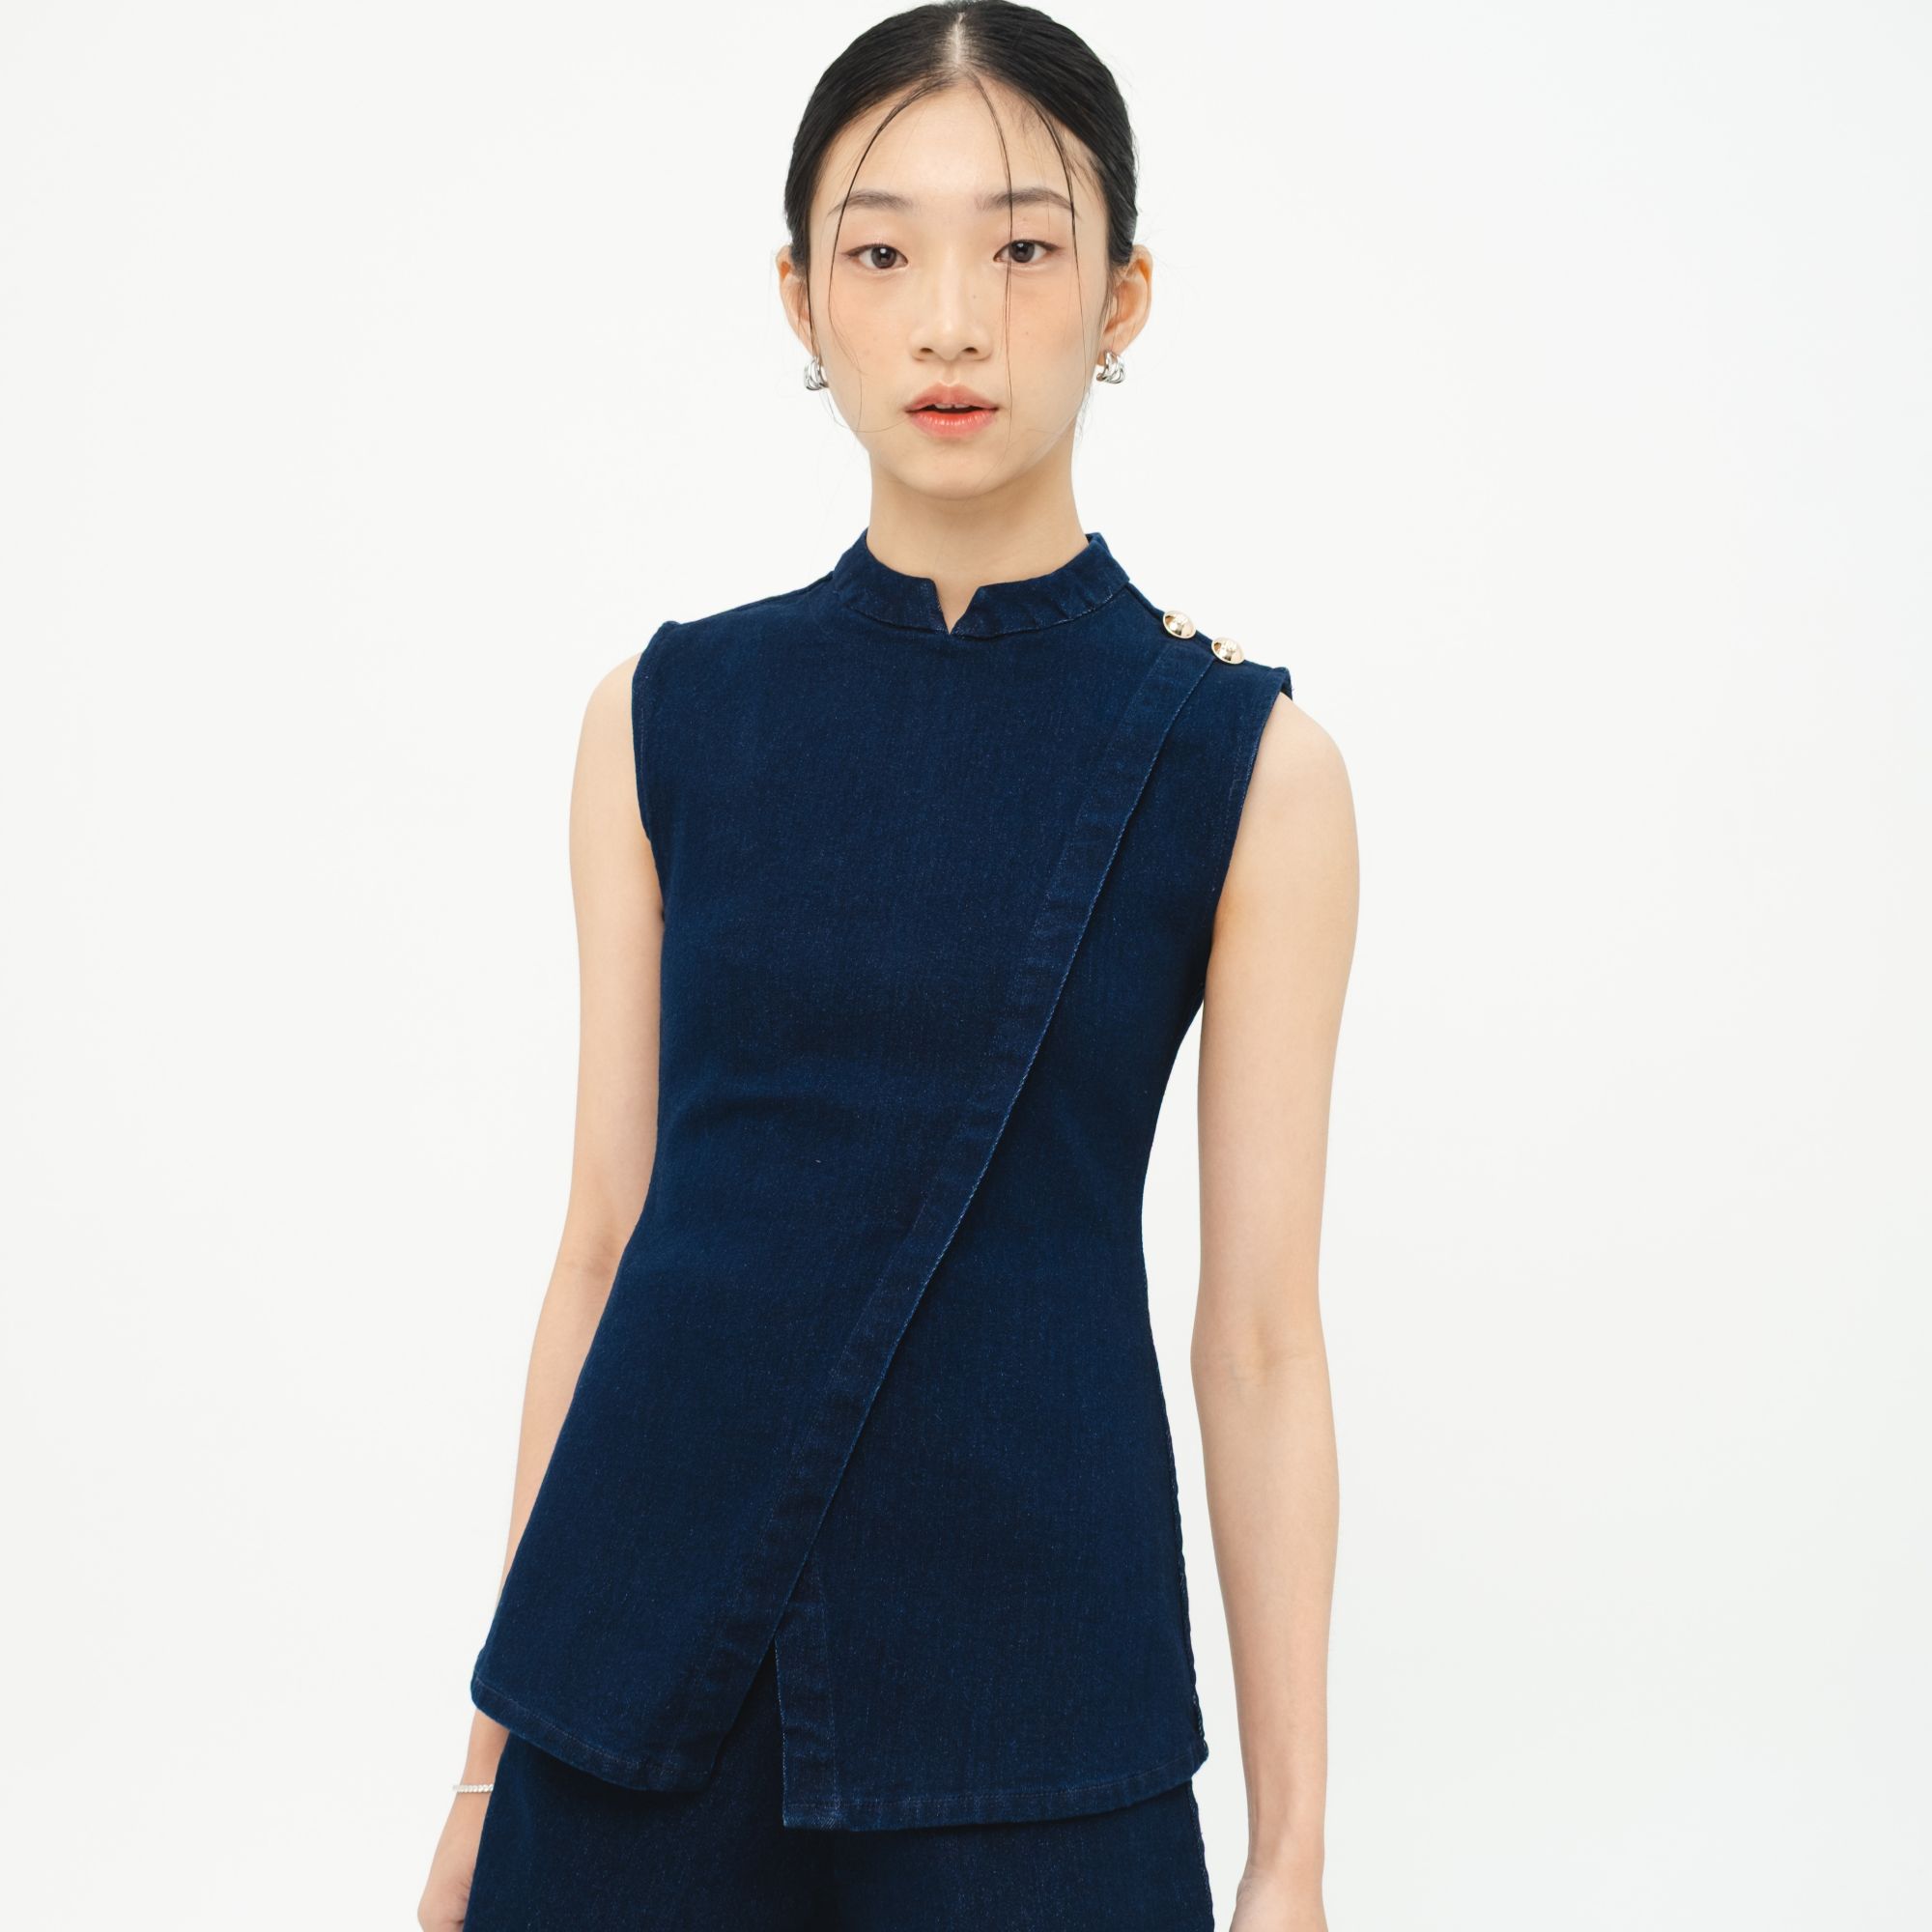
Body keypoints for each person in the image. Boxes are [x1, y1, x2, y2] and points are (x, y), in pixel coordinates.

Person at [417, 5, 1356, 1927]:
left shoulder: (1247, 763)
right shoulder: (664, 711)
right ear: (800, 297)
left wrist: (1290, 1855)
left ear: (1123, 295)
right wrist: (487, 1763)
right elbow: (604, 1246)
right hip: (629, 1699)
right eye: (879, 252)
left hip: (1041, 1702)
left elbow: (1260, 1336)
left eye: (1021, 248)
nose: (950, 322)